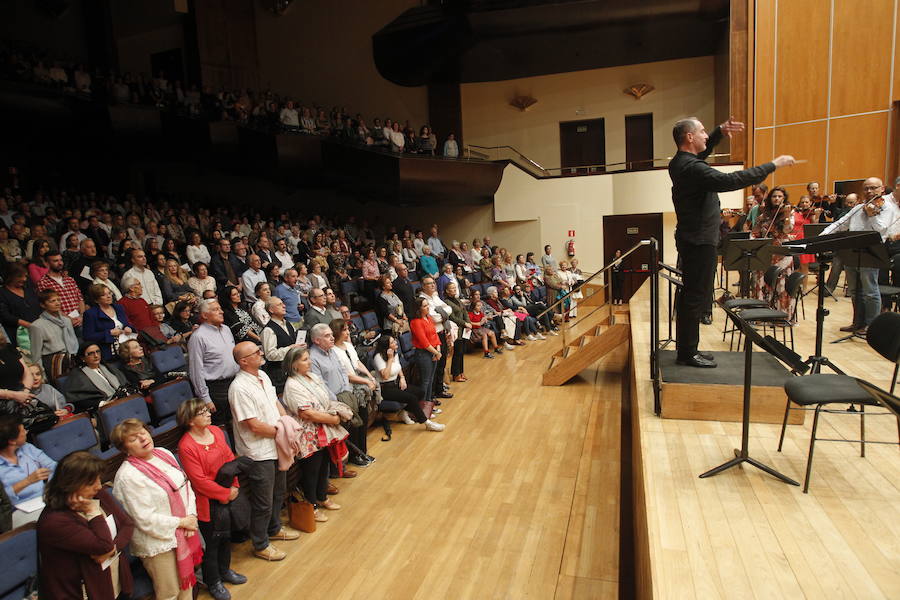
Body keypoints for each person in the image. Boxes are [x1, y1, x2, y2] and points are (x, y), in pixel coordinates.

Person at [668, 116, 794, 368]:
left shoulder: (682, 162)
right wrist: (772, 165)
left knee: (693, 296)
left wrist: (718, 133)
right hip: (699, 240)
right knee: (695, 297)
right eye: (702, 132)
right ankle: (687, 353)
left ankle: (688, 349)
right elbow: (731, 181)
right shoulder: (691, 168)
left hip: (695, 238)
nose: (706, 136)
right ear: (689, 137)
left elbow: (702, 154)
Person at [111, 419, 202, 600]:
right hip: (157, 543)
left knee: (188, 585)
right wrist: (182, 522)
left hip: (184, 530)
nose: (142, 438)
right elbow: (144, 518)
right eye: (133, 439)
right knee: (170, 593)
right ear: (125, 449)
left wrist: (191, 516)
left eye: (142, 432)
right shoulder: (127, 476)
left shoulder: (163, 453)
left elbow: (185, 486)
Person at [228, 341, 298, 562]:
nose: (261, 353)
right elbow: (253, 426)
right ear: (243, 361)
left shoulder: (264, 376)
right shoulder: (239, 388)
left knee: (279, 492)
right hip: (258, 452)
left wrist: (285, 420)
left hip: (275, 444)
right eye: (256, 352)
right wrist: (282, 432)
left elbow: (275, 403)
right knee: (263, 502)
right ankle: (260, 544)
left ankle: (274, 529)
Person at [37, 451, 135, 600]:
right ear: (70, 485)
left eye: (98, 479)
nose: (98, 486)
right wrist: (92, 512)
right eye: (91, 482)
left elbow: (127, 524)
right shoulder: (54, 521)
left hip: (115, 579)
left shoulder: (96, 494)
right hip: (86, 591)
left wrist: (114, 549)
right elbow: (103, 546)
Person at [177, 398, 247, 600]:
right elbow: (199, 481)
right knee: (212, 543)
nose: (209, 413)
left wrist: (233, 486)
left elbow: (230, 461)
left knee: (226, 537)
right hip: (207, 501)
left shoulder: (216, 432)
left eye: (207, 411)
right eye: (202, 412)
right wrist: (224, 494)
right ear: (190, 420)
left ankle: (225, 571)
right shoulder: (186, 446)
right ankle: (213, 581)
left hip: (227, 493)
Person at [823, 177, 898, 334]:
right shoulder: (858, 208)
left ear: (882, 189)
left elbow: (882, 230)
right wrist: (822, 237)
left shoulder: (888, 208)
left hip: (870, 253)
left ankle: (872, 326)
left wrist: (872, 215)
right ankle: (857, 322)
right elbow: (840, 223)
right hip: (851, 252)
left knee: (870, 291)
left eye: (873, 188)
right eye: (866, 188)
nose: (869, 191)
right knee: (855, 290)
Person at [281, 346, 348, 522]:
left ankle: (322, 496)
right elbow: (306, 413)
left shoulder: (312, 376)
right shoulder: (292, 385)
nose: (309, 362)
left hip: (323, 428)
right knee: (311, 470)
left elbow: (325, 398)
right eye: (304, 360)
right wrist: (332, 420)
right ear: (294, 365)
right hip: (308, 433)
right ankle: (312, 505)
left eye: (308, 358)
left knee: (323, 466)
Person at [308, 323, 372, 468]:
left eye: (331, 334)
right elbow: (320, 385)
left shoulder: (331, 351)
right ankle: (344, 464)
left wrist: (346, 390)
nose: (332, 338)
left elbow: (343, 371)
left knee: (356, 425)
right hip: (333, 401)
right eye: (327, 336)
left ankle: (358, 454)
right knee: (344, 433)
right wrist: (338, 400)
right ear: (317, 340)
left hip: (345, 392)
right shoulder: (313, 358)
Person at [372, 335, 444, 431]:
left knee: (420, 392)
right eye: (392, 342)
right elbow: (385, 375)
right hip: (385, 388)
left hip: (396, 383)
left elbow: (398, 367)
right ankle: (427, 423)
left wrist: (402, 378)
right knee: (412, 398)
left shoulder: (395, 353)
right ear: (386, 346)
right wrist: (389, 359)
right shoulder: (378, 357)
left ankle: (403, 412)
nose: (396, 343)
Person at [188, 299, 240, 428]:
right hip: (216, 389)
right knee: (224, 427)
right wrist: (205, 398)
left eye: (220, 308)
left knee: (239, 421)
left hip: (235, 382)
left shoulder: (226, 329)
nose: (221, 312)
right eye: (216, 309)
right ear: (205, 315)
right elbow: (196, 371)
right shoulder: (198, 337)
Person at [0, 414, 56, 505]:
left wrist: (51, 489)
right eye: (22, 431)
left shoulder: (27, 448)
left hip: (45, 499)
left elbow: (53, 466)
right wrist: (28, 481)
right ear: (12, 441)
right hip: (16, 510)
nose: (26, 432)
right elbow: (2, 500)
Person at [64, 343, 129, 414]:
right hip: (102, 409)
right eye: (91, 353)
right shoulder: (77, 375)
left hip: (123, 400)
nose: (96, 355)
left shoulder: (108, 367)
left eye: (98, 352)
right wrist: (103, 403)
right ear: (82, 358)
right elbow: (79, 400)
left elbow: (125, 384)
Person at [28, 289, 79, 377]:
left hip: (71, 357)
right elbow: (36, 353)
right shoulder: (37, 326)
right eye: (52, 301)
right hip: (53, 361)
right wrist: (42, 374)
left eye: (58, 300)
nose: (57, 303)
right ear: (43, 305)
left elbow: (73, 340)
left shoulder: (66, 321)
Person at [419, 277, 453, 400]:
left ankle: (439, 389)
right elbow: (434, 318)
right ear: (423, 286)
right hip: (432, 334)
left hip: (441, 331)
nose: (433, 285)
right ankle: (432, 394)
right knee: (435, 364)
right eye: (429, 283)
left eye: (433, 283)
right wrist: (443, 313)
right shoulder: (423, 299)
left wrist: (442, 313)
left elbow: (449, 308)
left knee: (442, 362)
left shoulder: (435, 296)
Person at [261, 297, 304, 394]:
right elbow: (270, 355)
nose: (284, 306)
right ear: (271, 310)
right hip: (280, 376)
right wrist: (290, 349)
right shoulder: (268, 330)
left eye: (283, 303)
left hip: (294, 371)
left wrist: (299, 346)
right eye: (279, 304)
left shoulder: (288, 324)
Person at [36, 251, 86, 331]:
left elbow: (80, 299)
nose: (60, 263)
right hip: (61, 323)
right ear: (47, 263)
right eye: (55, 261)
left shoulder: (69, 279)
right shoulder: (43, 282)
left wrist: (82, 316)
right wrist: (69, 319)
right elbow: (48, 305)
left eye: (61, 260)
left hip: (80, 320)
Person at [83, 284, 134, 360]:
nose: (109, 296)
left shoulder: (119, 308)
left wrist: (128, 327)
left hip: (126, 350)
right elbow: (88, 336)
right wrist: (109, 333)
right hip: (108, 353)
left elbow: (127, 323)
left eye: (109, 293)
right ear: (96, 299)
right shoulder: (91, 314)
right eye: (103, 295)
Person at [0, 264, 41, 347]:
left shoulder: (28, 288)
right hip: (20, 336)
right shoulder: (2, 293)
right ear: (10, 276)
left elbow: (39, 305)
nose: (24, 279)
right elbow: (5, 316)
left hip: (37, 330)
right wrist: (28, 325)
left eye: (25, 276)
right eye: (19, 276)